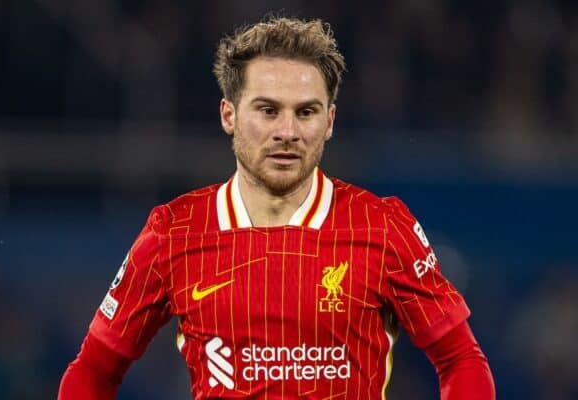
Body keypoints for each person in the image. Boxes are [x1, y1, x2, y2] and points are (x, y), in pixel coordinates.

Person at [59, 16, 495, 399]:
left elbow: (460, 359)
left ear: (329, 121)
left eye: (305, 112)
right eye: (268, 110)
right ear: (229, 115)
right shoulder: (175, 230)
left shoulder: (380, 226)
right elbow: (93, 371)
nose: (287, 131)